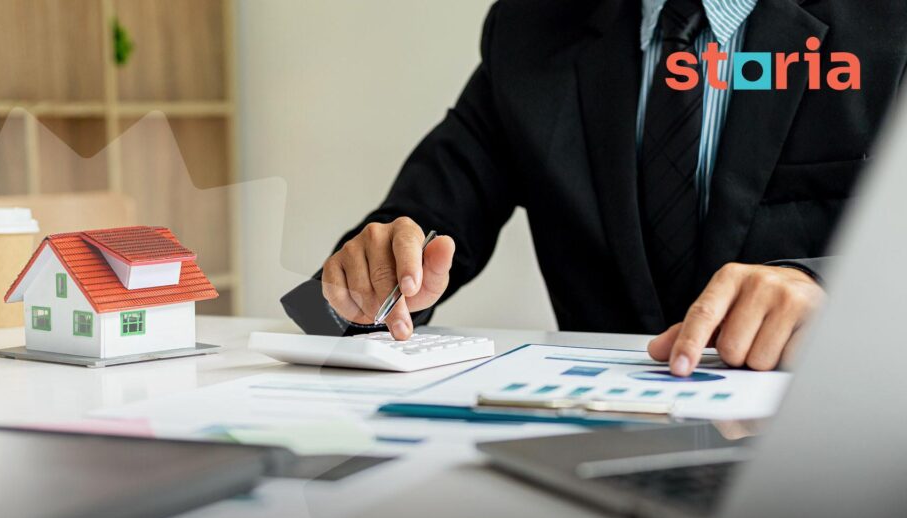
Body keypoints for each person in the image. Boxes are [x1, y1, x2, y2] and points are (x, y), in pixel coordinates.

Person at [281, 0, 907, 376]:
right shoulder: (531, 29)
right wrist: (360, 293)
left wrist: (827, 286)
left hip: (824, 444)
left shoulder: (889, 26)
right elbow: (412, 226)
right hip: (588, 450)